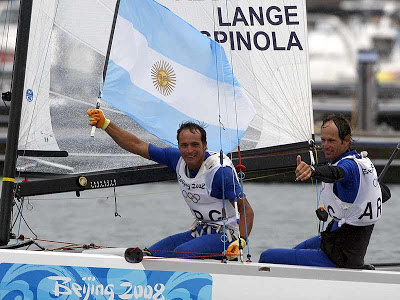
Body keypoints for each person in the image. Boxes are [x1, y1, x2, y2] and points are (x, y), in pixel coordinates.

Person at [88, 109, 254, 259]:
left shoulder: (219, 172)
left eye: (195, 145)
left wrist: (241, 242)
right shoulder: (176, 158)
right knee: (149, 256)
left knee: (181, 253)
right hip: (200, 232)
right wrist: (105, 125)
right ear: (179, 146)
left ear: (205, 145)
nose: (189, 151)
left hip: (228, 237)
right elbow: (137, 145)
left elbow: (247, 210)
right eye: (184, 145)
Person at [259, 114, 390, 268]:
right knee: (291, 254)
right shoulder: (363, 164)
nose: (325, 145)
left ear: (346, 140)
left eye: (331, 141)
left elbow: (337, 173)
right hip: (336, 244)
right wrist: (338, 211)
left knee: (267, 257)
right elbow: (385, 194)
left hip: (337, 257)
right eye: (324, 140)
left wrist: (312, 170)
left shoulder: (349, 166)